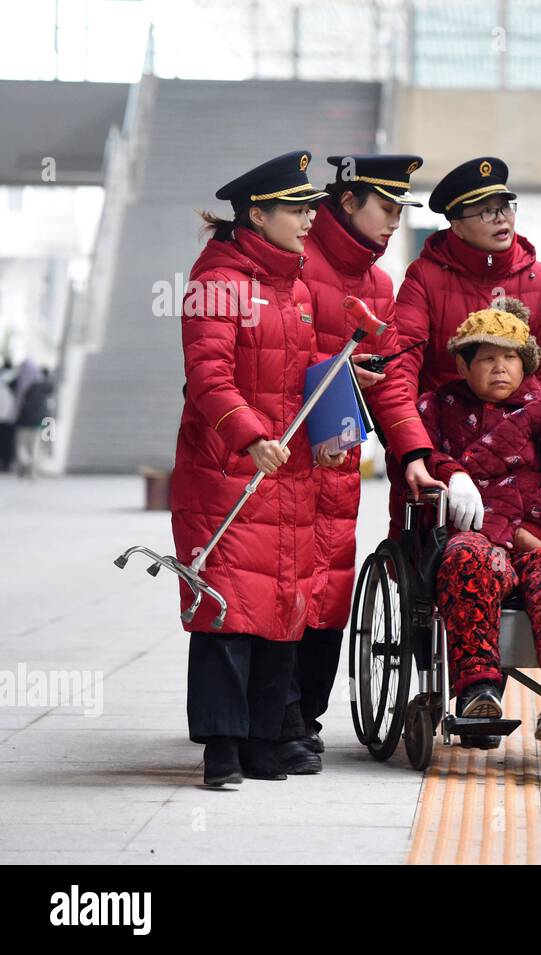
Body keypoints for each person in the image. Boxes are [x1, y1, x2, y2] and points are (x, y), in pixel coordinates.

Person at [171, 150, 342, 788]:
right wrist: (248, 437)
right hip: (227, 472)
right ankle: (222, 748)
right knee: (226, 609)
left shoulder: (292, 286)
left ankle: (264, 743)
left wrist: (340, 398)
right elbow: (207, 375)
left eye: (308, 210)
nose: (306, 221)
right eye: (296, 210)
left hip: (287, 473)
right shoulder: (217, 280)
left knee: (278, 608)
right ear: (257, 213)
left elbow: (299, 376)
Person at [292, 153, 440, 767]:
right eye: (386, 208)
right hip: (277, 460)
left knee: (327, 592)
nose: (393, 222)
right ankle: (266, 720)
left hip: (337, 467)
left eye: (401, 210)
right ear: (348, 201)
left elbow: (391, 384)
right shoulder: (293, 258)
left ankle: (302, 720)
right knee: (280, 590)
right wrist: (333, 376)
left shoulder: (380, 286)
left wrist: (412, 453)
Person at [417, 298, 541, 743]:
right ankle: (479, 688)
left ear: (527, 364)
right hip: (477, 536)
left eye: (510, 358)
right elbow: (417, 457)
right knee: (463, 561)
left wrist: (537, 530)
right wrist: (450, 473)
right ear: (462, 366)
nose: (500, 368)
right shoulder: (436, 408)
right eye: (487, 359)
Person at [388, 156, 541, 543]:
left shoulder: (540, 278)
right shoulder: (424, 277)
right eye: (486, 212)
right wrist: (412, 445)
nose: (501, 218)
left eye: (505, 207)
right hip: (444, 439)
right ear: (455, 223)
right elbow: (402, 362)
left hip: (523, 442)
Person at [13, 364, 53, 480]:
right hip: (37, 422)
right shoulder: (44, 386)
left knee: (21, 446)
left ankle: (24, 466)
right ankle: (31, 471)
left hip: (23, 422)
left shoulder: (21, 385)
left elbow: (17, 405)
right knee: (34, 447)